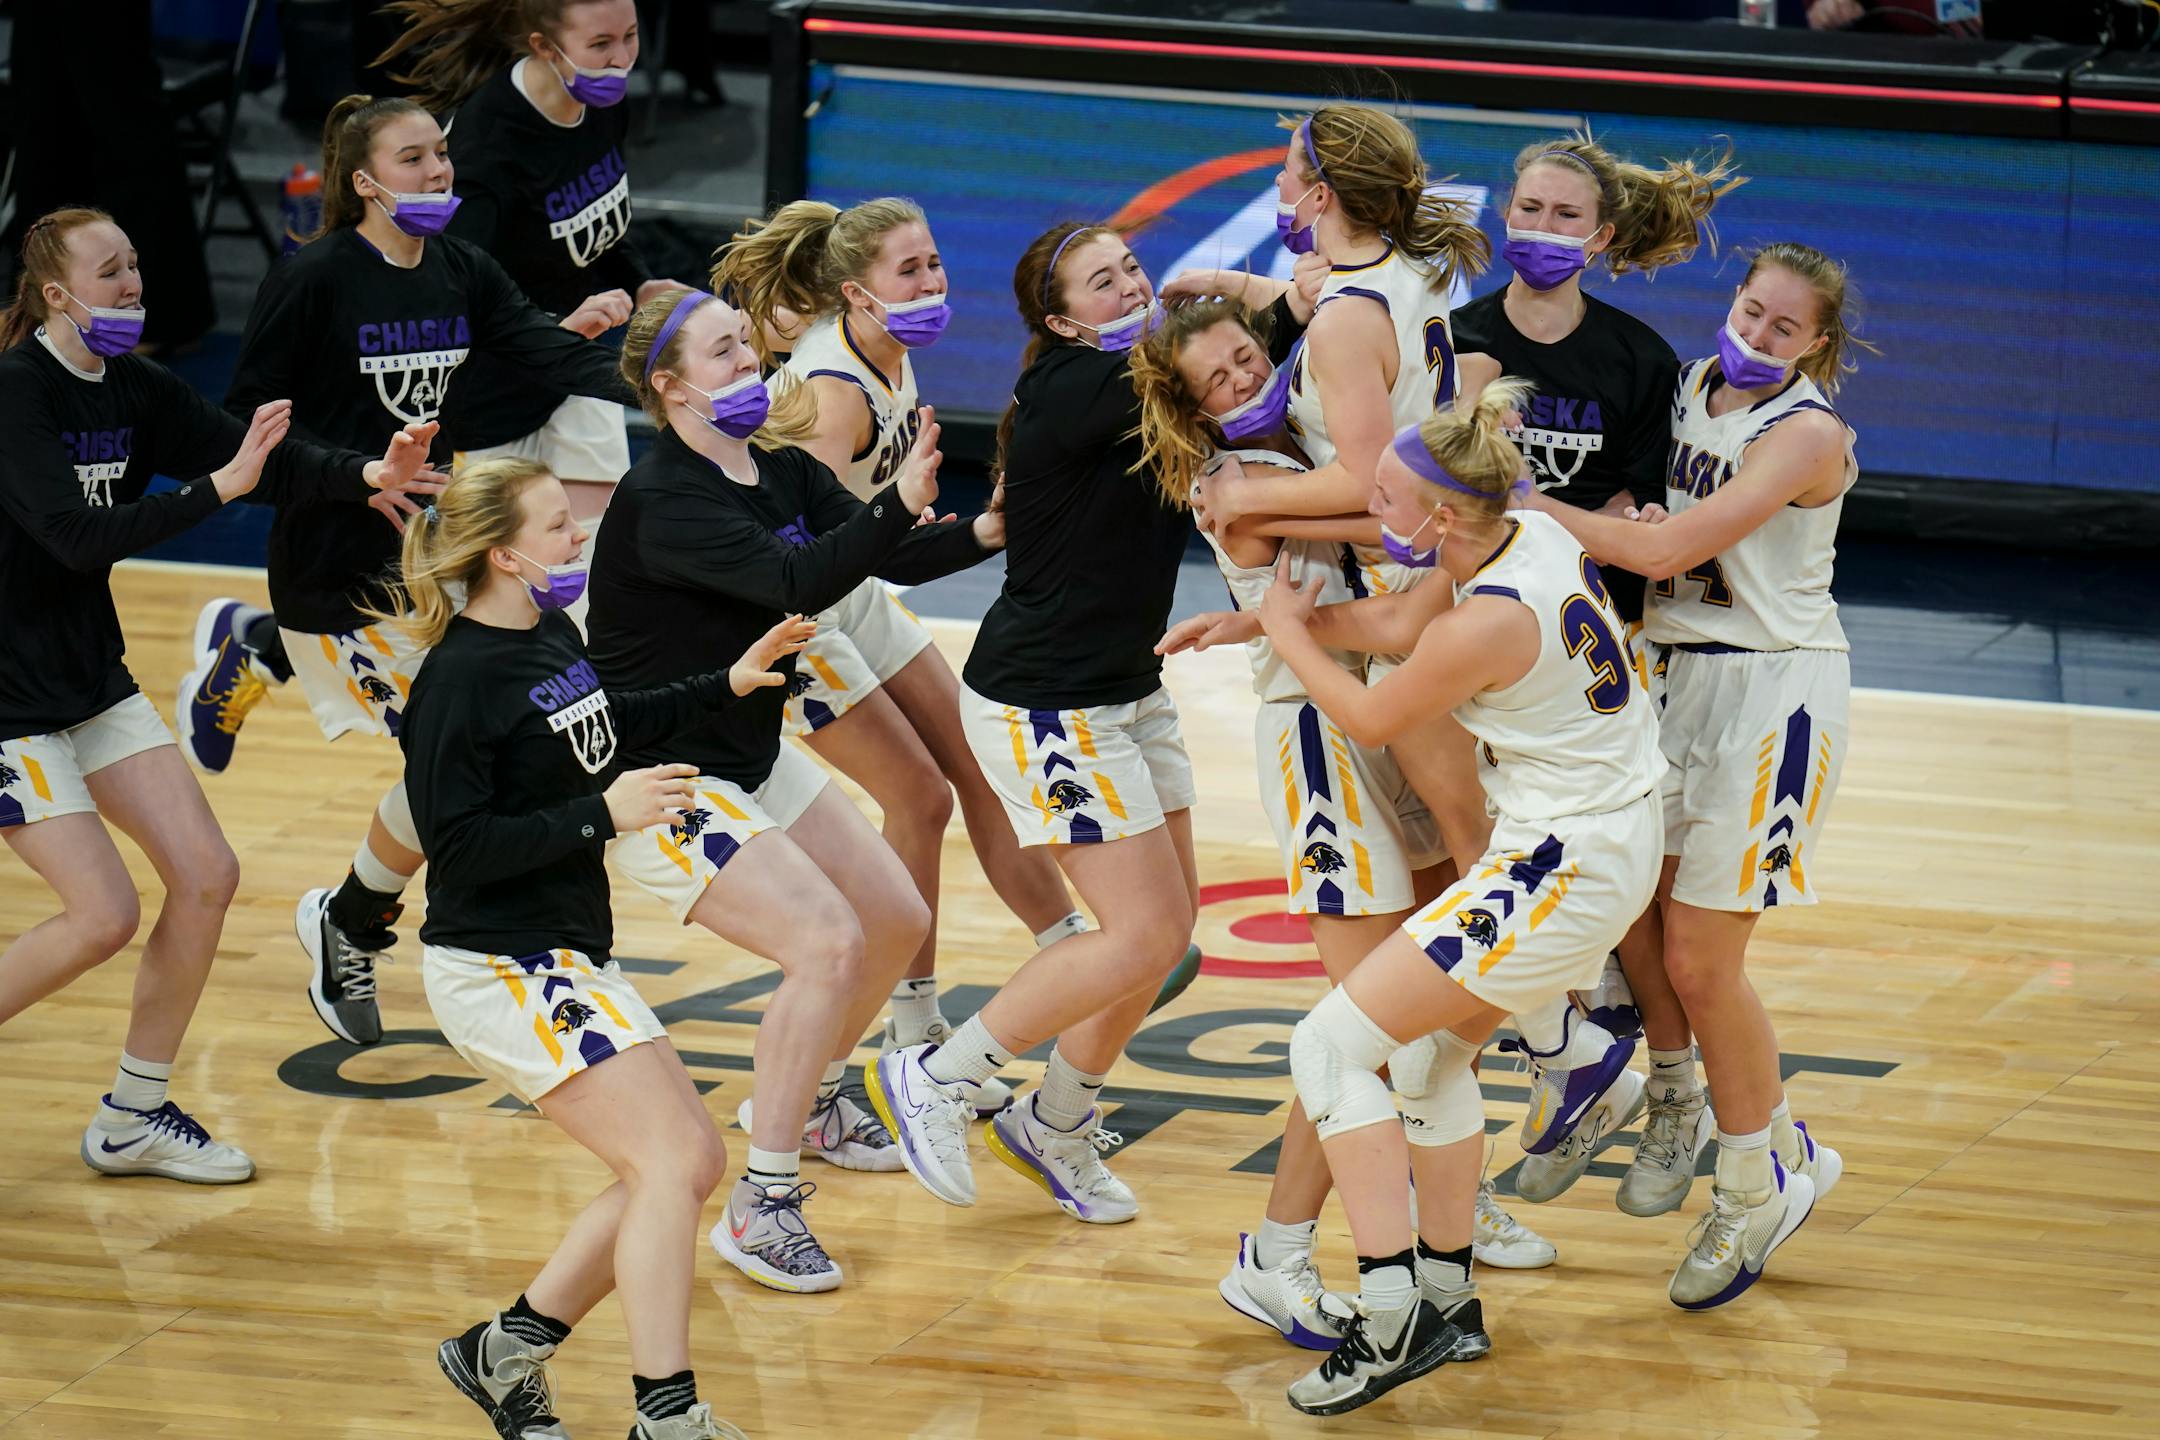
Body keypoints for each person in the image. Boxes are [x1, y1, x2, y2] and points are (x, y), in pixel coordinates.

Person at [169, 94, 635, 1055]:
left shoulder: (461, 268)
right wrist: (355, 476)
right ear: (366, 182)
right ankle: (351, 916)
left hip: (437, 560)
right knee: (455, 774)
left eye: (442, 156)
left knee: (479, 754)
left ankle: (260, 665)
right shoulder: (313, 281)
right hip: (341, 577)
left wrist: (655, 360)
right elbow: (239, 431)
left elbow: (541, 351)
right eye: (413, 159)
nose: (438, 173)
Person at [864, 221, 1304, 1225]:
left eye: (1134, 271)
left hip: (1127, 685)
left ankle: (1054, 1122)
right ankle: (939, 1074)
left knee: (1164, 932)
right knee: (1139, 930)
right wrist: (1287, 297)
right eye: (1103, 283)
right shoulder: (1076, 390)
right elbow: (1206, 366)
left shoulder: (1135, 382)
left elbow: (1215, 361)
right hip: (1044, 700)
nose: (1131, 289)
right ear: (1062, 319)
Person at [0, 207, 440, 1182]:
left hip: (87, 678)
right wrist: (221, 489)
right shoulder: (15, 395)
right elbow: (74, 536)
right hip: (6, 703)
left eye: (135, 266)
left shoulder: (128, 385)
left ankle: (133, 1116)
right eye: (109, 272)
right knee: (102, 915)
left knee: (206, 875)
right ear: (55, 294)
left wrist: (364, 471)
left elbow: (257, 455)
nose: (132, 285)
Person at [1204, 101, 1563, 1267]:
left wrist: (1260, 498)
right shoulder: (1396, 274)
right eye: (1225, 369)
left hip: (1376, 647)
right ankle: (1307, 1246)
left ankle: (1517, 1083)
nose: (1253, 362)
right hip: (1322, 696)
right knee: (1375, 1007)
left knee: (1400, 988)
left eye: (1288, 166)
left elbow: (1376, 477)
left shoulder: (1341, 320)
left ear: (1316, 192)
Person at [1258, 386, 1664, 1415]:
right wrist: (1253, 626)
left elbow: (1365, 705)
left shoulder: (1492, 617)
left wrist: (1279, 629)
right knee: (1430, 1056)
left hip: (1563, 862)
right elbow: (1395, 617)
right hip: (1599, 841)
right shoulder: (1523, 533)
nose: (1371, 510)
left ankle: (1387, 1311)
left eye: (1384, 495)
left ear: (1440, 516)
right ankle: (1446, 1299)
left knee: (1327, 1050)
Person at [588, 287, 1000, 1294]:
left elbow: (873, 558)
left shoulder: (770, 467)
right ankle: (759, 1205)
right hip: (663, 779)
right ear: (670, 385)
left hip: (750, 757)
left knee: (895, 920)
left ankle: (807, 1103)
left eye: (748, 347)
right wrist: (894, 502)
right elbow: (794, 582)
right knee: (826, 942)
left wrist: (984, 532)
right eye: (725, 354)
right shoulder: (664, 496)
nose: (752, 367)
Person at [394, 457, 781, 1440]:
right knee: (669, 1163)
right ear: (506, 554)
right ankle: (667, 1415)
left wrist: (723, 684)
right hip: (497, 965)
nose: (578, 539)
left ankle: (504, 1351)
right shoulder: (459, 681)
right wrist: (596, 820)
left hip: (563, 953)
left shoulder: (550, 633)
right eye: (560, 526)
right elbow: (458, 848)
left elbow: (605, 723)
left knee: (686, 1162)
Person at [1526, 241, 1860, 1306]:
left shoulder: (1808, 433)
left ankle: (1754, 1187)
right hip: (1672, 677)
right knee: (1637, 917)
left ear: (1818, 344)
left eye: (1783, 327)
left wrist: (1533, 511)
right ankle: (1704, 1108)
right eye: (1750, 311)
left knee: (1708, 961)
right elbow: (1641, 517)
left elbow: (1673, 552)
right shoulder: (1681, 392)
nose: (1757, 335)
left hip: (1775, 694)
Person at [713, 198, 1088, 1118]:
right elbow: (806, 557)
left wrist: (972, 528)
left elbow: (868, 543)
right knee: (920, 796)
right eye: (909, 271)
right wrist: (974, 534)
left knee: (976, 765)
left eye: (934, 264)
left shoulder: (881, 346)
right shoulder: (832, 392)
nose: (932, 285)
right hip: (794, 613)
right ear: (858, 293)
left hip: (857, 590)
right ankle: (907, 1026)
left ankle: (1073, 944)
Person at [1128, 296, 1453, 1349]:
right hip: (1320, 737)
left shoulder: (1318, 436)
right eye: (1215, 383)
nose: (1239, 381)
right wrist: (1438, 501)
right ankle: (1274, 1253)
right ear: (1195, 413)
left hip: (1397, 703)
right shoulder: (1232, 484)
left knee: (1433, 994)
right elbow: (1394, 515)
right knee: (1358, 1022)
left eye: (1240, 359)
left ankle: (1444, 1191)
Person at [1448, 130, 1741, 1208]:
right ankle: (1564, 1074)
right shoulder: (1459, 338)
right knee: (1501, 893)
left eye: (1566, 216)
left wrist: (1568, 516)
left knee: (1639, 905)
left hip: (1599, 657)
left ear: (1604, 234)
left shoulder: (1635, 359)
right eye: (1528, 208)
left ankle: (1670, 1092)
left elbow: (1633, 523)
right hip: (1486, 660)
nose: (1541, 229)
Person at [376, 0, 678, 523]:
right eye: (601, 45)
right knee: (479, 590)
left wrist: (641, 282)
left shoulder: (604, 104)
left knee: (593, 566)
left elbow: (594, 219)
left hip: (569, 370)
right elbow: (448, 297)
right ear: (544, 46)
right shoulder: (485, 149)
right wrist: (554, 333)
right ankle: (247, 613)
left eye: (630, 36)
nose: (621, 59)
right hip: (486, 398)